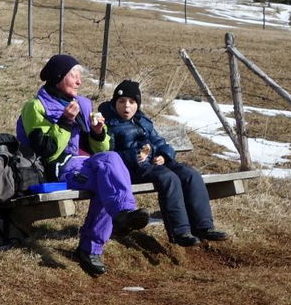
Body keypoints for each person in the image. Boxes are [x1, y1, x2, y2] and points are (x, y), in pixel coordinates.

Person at [16, 55, 150, 276]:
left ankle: (105, 233)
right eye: (73, 76)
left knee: (109, 170)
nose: (79, 81)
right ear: (58, 78)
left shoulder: (84, 105)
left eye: (79, 76)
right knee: (109, 174)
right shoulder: (35, 107)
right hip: (59, 169)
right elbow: (46, 150)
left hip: (86, 166)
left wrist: (99, 133)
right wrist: (66, 121)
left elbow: (102, 150)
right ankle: (94, 245)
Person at [99, 79, 231, 248]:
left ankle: (204, 227)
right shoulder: (109, 123)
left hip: (155, 163)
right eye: (121, 101)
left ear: (137, 104)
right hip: (132, 169)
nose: (126, 106)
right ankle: (180, 232)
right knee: (169, 178)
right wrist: (136, 155)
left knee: (190, 174)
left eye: (132, 102)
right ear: (114, 102)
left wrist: (164, 155)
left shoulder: (142, 120)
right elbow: (108, 154)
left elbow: (160, 142)